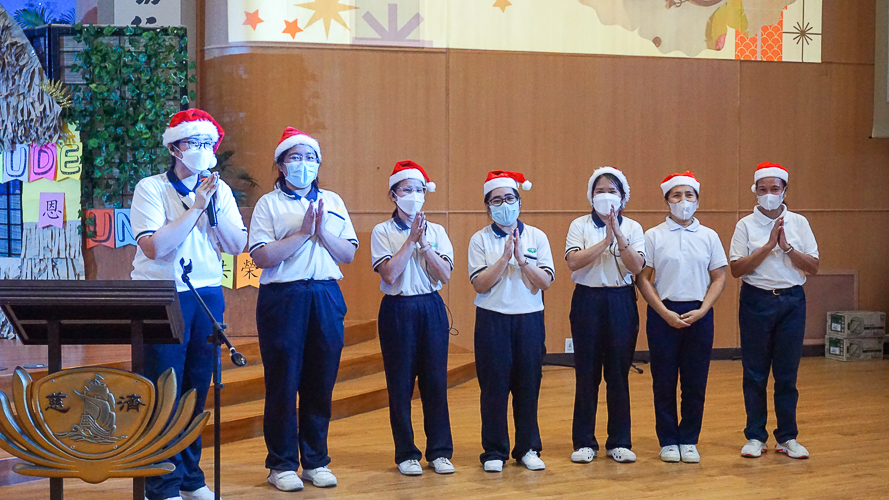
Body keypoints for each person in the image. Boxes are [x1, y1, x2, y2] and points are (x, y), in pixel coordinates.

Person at [131, 109, 248, 500]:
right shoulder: (151, 188)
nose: (200, 150)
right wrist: (195, 206)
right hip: (161, 294)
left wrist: (211, 210)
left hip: (207, 292)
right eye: (192, 143)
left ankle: (190, 477)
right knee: (165, 387)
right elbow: (156, 247)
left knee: (197, 388)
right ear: (174, 148)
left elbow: (235, 246)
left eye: (206, 144)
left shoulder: (221, 192)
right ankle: (159, 483)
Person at [248, 127, 358, 491]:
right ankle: (281, 464)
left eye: (310, 158)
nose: (303, 164)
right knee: (283, 381)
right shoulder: (268, 203)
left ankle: (315, 460)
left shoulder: (334, 202)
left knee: (320, 380)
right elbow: (261, 256)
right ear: (280, 165)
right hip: (284, 298)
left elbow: (348, 253)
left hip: (325, 294)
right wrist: (302, 234)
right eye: (295, 158)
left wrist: (321, 230)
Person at [370, 160, 456, 476]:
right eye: (407, 189)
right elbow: (390, 274)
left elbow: (445, 274)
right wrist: (410, 241)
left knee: (435, 381)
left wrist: (424, 243)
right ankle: (406, 453)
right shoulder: (381, 231)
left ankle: (440, 451)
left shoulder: (438, 231)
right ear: (394, 194)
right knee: (400, 384)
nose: (415, 195)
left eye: (419, 189)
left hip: (431, 307)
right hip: (397, 310)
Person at [636, 171, 727, 464]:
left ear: (697, 200)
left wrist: (703, 309)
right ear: (667, 201)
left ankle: (689, 438)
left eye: (689, 195)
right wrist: (663, 312)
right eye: (676, 195)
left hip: (698, 315)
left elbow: (719, 277)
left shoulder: (709, 236)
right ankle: (667, 440)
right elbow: (643, 278)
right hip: (663, 314)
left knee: (695, 380)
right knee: (663, 380)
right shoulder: (653, 236)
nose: (683, 201)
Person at [729, 162, 819, 460]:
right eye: (763, 189)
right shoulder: (745, 225)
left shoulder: (800, 222)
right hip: (756, 301)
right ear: (755, 191)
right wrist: (768, 246)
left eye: (775, 189)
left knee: (787, 374)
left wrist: (788, 248)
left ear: (784, 191)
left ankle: (787, 437)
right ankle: (755, 435)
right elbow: (736, 269)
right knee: (754, 373)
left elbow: (814, 267)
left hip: (792, 302)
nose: (769, 195)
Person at [468, 170, 554, 473]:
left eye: (509, 198)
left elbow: (544, 282)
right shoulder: (479, 239)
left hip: (529, 319)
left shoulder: (537, 237)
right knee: (493, 387)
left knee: (528, 385)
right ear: (487, 206)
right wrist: (504, 259)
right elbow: (480, 284)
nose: (504, 204)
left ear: (519, 201)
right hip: (492, 320)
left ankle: (528, 447)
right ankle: (494, 450)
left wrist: (521, 259)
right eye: (496, 200)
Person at [565, 166, 645, 465]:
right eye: (600, 191)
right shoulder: (579, 225)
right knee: (586, 374)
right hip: (587, 299)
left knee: (618, 374)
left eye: (612, 191)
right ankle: (584, 441)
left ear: (623, 198)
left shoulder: (634, 227)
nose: (606, 196)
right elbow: (573, 262)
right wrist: (605, 239)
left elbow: (636, 267)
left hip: (621, 299)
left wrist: (619, 234)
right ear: (591, 196)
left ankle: (619, 441)